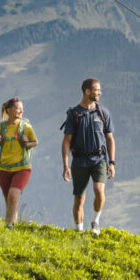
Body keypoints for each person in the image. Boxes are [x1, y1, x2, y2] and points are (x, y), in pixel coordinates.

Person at [61, 78, 115, 235]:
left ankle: (95, 221)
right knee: (79, 199)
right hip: (79, 161)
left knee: (99, 190)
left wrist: (111, 162)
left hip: (99, 159)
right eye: (97, 90)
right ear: (87, 91)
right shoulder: (74, 114)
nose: (100, 92)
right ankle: (79, 232)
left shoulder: (103, 113)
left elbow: (110, 139)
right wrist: (65, 165)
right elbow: (66, 141)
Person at [0, 97, 37, 228]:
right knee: (9, 201)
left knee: (13, 196)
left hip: (22, 168)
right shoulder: (0, 128)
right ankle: (11, 225)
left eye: (22, 108)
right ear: (8, 110)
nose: (21, 110)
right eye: (18, 108)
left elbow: (35, 142)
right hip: (3, 169)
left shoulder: (26, 127)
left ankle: (9, 227)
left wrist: (26, 142)